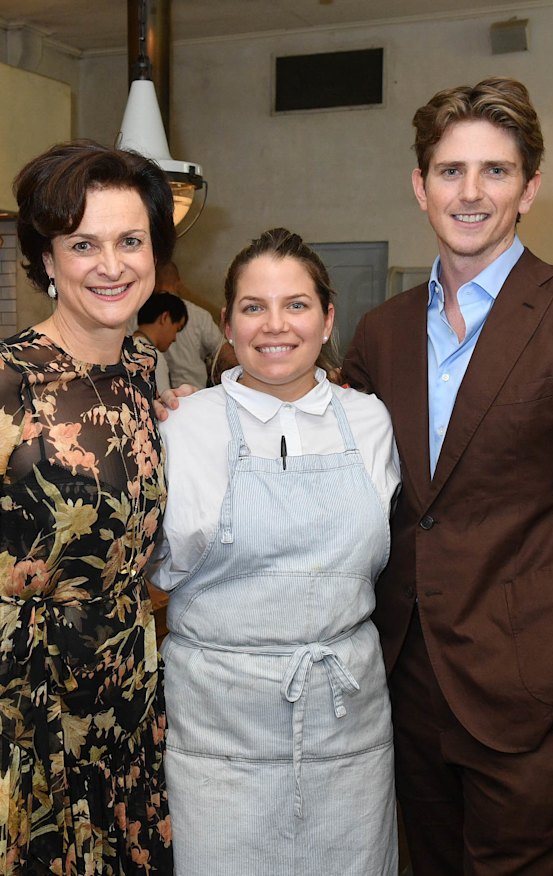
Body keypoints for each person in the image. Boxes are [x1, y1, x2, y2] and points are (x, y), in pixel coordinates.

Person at [343, 76, 553, 875]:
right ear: (420, 186)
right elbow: (333, 464)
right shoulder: (380, 331)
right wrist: (212, 414)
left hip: (535, 693)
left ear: (530, 188)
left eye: (496, 171)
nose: (470, 192)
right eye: (450, 171)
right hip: (406, 689)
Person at [150, 227, 401, 875]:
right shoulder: (184, 426)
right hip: (218, 736)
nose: (275, 325)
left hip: (347, 728)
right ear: (227, 324)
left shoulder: (370, 422)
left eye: (296, 304)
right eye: (253, 307)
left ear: (327, 319)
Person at [0, 140, 176, 874]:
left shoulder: (143, 370)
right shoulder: (9, 382)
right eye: (83, 244)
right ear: (46, 259)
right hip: (27, 701)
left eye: (130, 240)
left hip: (127, 687)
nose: (112, 265)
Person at [155, 260, 237, 388]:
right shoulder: (198, 314)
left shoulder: (136, 317)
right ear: (179, 283)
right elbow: (224, 352)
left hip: (157, 399)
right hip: (195, 393)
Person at [134, 291, 188, 394]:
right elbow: (163, 404)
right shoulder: (154, 358)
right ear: (165, 318)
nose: (174, 338)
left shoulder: (120, 347)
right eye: (177, 329)